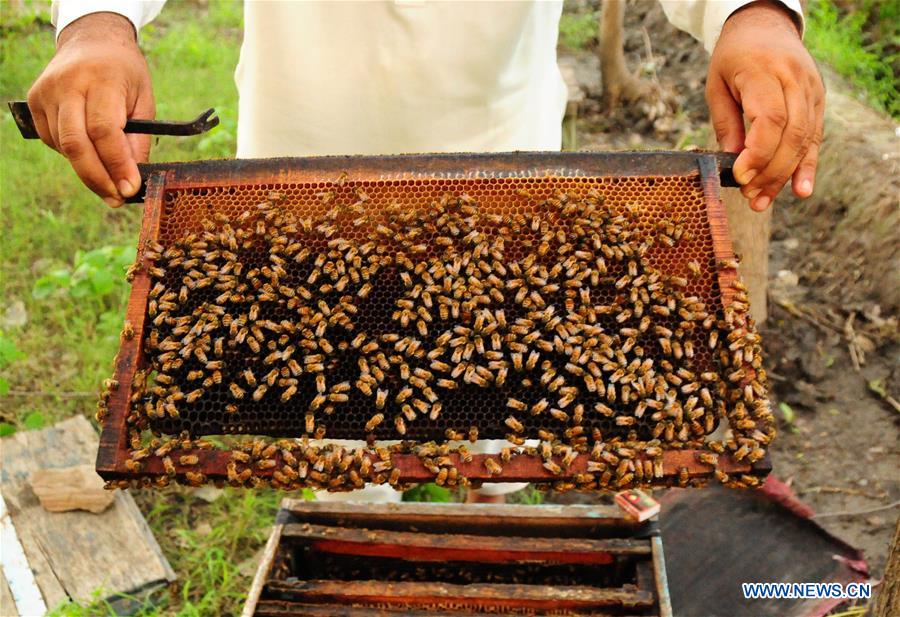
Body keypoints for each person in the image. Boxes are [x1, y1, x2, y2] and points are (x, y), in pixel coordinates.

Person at [28, 0, 824, 502]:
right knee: (326, 433)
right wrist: (99, 23)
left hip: (503, 178)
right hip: (304, 191)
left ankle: (491, 501)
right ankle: (345, 506)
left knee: (500, 423)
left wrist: (752, 13)